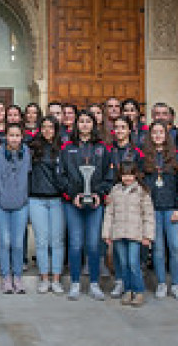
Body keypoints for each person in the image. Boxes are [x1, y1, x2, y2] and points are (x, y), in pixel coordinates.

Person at [61, 110, 113, 301]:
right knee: (75, 244)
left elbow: (109, 176)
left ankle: (94, 283)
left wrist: (99, 194)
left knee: (93, 244)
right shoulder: (67, 148)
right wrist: (73, 195)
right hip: (73, 203)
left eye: (88, 121)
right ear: (76, 125)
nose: (84, 125)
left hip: (95, 204)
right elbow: (62, 176)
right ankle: (75, 283)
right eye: (81, 121)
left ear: (94, 124)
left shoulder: (102, 148)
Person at [142, 121, 178, 301]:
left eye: (161, 132)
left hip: (171, 209)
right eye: (154, 132)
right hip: (153, 209)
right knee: (158, 249)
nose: (158, 135)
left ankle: (175, 284)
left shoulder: (177, 157)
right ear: (150, 136)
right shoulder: (144, 157)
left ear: (167, 135)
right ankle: (161, 283)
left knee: (176, 247)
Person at [102, 162, 154, 307]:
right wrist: (107, 233)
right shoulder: (115, 190)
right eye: (125, 175)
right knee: (123, 264)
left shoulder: (142, 191)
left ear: (135, 175)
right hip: (119, 233)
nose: (127, 178)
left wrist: (147, 236)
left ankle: (138, 291)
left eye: (130, 174)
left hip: (135, 234)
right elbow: (109, 213)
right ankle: (128, 290)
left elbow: (148, 214)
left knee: (133, 263)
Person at [0, 123, 31, 294]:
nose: (14, 138)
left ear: (21, 137)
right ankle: (6, 276)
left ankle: (17, 277)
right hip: (0, 204)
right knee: (4, 241)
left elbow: (28, 173)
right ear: (5, 136)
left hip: (20, 204)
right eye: (11, 135)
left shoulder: (27, 153)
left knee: (17, 243)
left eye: (17, 135)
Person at [29, 116, 66, 294]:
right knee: (42, 240)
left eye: (51, 127)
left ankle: (56, 278)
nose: (47, 130)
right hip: (36, 199)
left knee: (57, 240)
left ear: (56, 129)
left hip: (57, 199)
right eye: (44, 127)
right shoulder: (32, 147)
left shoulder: (62, 148)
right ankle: (44, 278)